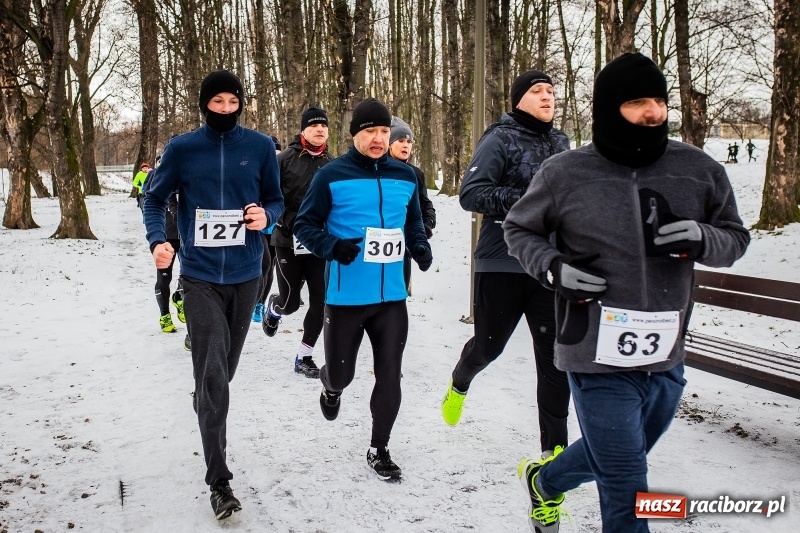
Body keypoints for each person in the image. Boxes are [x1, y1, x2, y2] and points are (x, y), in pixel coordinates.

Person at [503, 53, 750, 533]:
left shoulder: (698, 169)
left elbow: (734, 239)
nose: (653, 112)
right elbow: (519, 230)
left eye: (658, 100)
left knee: (617, 457)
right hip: (593, 350)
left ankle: (545, 483)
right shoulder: (565, 173)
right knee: (626, 481)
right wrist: (554, 269)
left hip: (664, 356)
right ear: (609, 109)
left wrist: (702, 237)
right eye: (638, 102)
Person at [143, 69, 283, 520]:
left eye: (232, 101)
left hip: (247, 276)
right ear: (204, 104)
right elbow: (153, 197)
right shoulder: (183, 149)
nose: (225, 109)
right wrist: (157, 241)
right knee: (214, 378)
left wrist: (267, 216)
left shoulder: (260, 147)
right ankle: (219, 481)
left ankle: (205, 397)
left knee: (223, 372)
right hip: (200, 277)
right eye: (217, 102)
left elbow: (276, 200)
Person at [293, 98, 432, 480]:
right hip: (346, 298)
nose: (378, 138)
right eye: (370, 131)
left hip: (391, 298)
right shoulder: (331, 176)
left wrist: (419, 245)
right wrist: (331, 246)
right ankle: (330, 387)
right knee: (342, 375)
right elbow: (304, 226)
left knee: (390, 374)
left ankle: (379, 447)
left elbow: (414, 222)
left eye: (384, 131)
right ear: (355, 133)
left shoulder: (406, 177)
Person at [440, 69, 572, 459]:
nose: (547, 96)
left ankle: (553, 457)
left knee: (555, 364)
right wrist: (533, 199)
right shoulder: (499, 138)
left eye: (551, 89)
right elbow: (472, 194)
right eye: (537, 90)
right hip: (503, 262)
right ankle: (461, 379)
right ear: (518, 100)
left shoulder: (562, 142)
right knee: (489, 347)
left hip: (549, 265)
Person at [262, 107, 333, 379]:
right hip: (287, 240)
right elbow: (270, 196)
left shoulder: (332, 164)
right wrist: (289, 218)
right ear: (303, 130)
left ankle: (304, 356)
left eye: (323, 126)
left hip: (318, 243)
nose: (320, 129)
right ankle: (274, 308)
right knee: (291, 303)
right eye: (314, 125)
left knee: (321, 302)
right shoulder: (285, 160)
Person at [387, 116, 436, 291]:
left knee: (399, 297)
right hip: (376, 246)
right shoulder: (376, 170)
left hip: (404, 247)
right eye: (400, 140)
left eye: (409, 141)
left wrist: (425, 226)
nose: (406, 145)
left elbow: (426, 206)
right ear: (389, 144)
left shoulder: (415, 173)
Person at [251, 137, 282, 324]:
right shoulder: (260, 167)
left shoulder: (284, 168)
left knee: (270, 267)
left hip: (277, 226)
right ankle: (254, 301)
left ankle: (261, 303)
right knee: (264, 263)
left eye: (278, 153)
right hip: (260, 226)